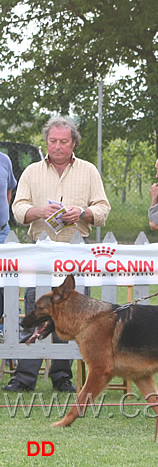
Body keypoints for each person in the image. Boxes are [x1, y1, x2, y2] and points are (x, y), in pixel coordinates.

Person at [4, 116, 111, 393]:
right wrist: (38, 211)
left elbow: (103, 209)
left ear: (73, 142)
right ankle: (25, 377)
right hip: (40, 251)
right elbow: (17, 209)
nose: (58, 146)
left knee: (72, 314)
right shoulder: (31, 172)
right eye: (53, 141)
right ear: (46, 141)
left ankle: (62, 376)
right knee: (35, 306)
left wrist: (82, 212)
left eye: (64, 141)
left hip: (75, 253)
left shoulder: (88, 171)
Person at [0, 151, 17, 332]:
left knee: (9, 284)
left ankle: (9, 330)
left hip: (2, 233)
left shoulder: (4, 159)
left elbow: (8, 193)